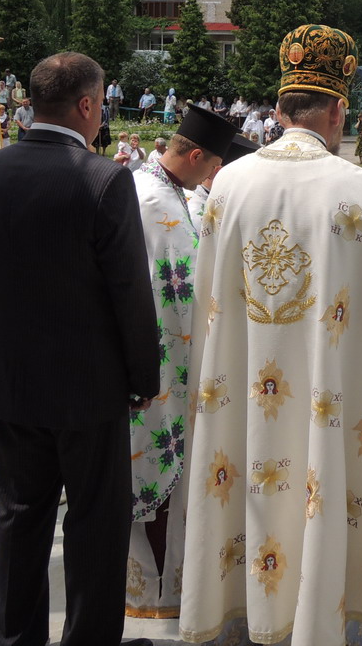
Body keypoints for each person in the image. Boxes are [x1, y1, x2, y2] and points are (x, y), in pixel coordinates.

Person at [177, 24, 362, 645]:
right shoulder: (360, 190)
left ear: (279, 109)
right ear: (338, 111)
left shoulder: (228, 184)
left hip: (244, 399)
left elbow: (206, 304)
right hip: (330, 405)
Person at [0, 52, 161, 646]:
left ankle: (14, 639)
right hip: (88, 385)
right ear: (87, 105)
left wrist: (11, 335)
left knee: (19, 516)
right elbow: (129, 290)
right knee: (96, 522)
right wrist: (142, 378)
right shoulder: (103, 178)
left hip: (13, 376)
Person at [126, 106, 235, 619]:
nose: (212, 175)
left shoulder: (166, 191)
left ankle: (166, 586)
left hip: (171, 361)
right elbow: (169, 287)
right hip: (161, 365)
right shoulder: (152, 200)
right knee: (155, 469)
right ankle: (151, 592)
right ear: (195, 157)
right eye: (212, 165)